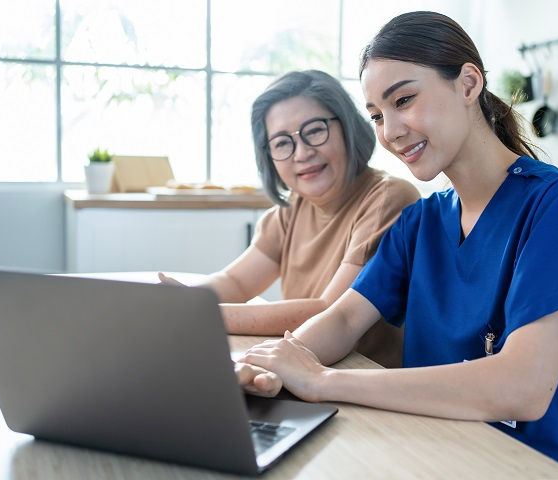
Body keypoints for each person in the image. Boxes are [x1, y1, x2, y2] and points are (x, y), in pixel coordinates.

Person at [235, 12, 558, 479]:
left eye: (404, 100)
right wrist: (272, 366)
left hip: (552, 462)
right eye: (376, 115)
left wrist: (322, 381)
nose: (389, 131)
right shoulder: (421, 222)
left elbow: (523, 386)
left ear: (468, 83)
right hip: (452, 446)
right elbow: (347, 316)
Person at [161, 70, 420, 368]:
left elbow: (330, 310)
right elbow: (236, 281)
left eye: (314, 130)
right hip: (302, 368)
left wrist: (203, 313)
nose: (302, 153)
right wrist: (182, 301)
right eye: (282, 143)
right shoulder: (288, 211)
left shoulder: (388, 197)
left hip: (362, 378)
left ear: (348, 128)